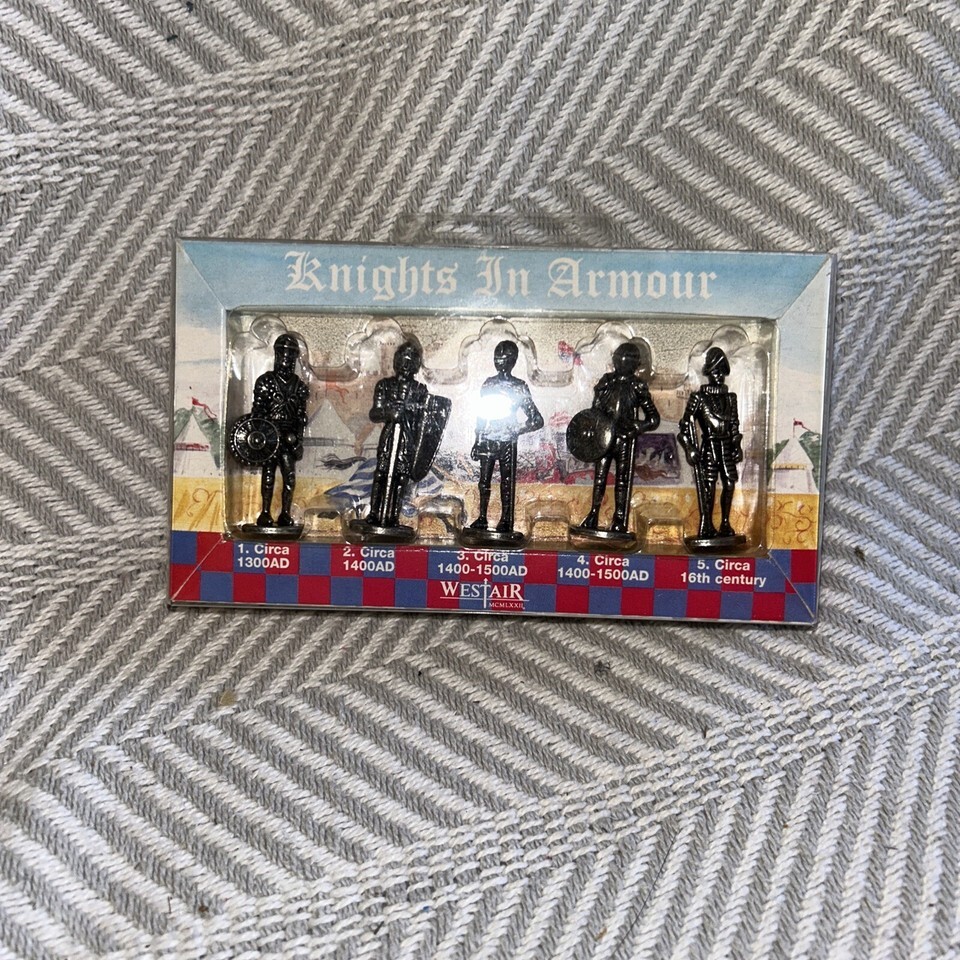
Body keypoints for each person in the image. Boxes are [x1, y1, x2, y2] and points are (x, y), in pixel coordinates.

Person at [577, 342, 659, 535]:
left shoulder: (638, 386)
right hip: (604, 438)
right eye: (620, 359)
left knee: (622, 481)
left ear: (636, 364)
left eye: (628, 360)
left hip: (624, 439)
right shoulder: (606, 382)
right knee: (599, 478)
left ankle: (619, 519)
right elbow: (595, 410)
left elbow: (653, 418)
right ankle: (593, 514)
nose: (622, 363)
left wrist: (638, 426)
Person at [468, 340, 543, 536]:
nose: (499, 362)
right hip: (488, 439)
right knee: (483, 482)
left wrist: (517, 429)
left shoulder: (519, 386)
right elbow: (481, 415)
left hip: (508, 441)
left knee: (507, 482)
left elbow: (536, 420)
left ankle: (506, 520)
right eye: (497, 358)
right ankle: (482, 518)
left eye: (504, 358)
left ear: (513, 361)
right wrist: (477, 440)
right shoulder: (489, 384)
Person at [678, 346, 744, 544]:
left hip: (726, 446)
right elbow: (685, 425)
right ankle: (706, 524)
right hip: (709, 445)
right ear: (708, 373)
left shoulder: (730, 399)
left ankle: (725, 523)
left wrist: (737, 445)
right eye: (715, 371)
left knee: (729, 483)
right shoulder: (699, 398)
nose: (719, 376)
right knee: (709, 486)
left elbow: (734, 426)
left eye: (722, 372)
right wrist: (689, 448)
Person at [366, 342, 430, 529]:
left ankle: (393, 515)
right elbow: (374, 413)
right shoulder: (385, 385)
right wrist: (388, 413)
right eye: (402, 360)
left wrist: (410, 410)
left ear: (416, 365)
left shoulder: (420, 389)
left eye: (410, 361)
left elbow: (424, 418)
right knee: (381, 474)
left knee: (401, 477)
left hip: (407, 438)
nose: (405, 365)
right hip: (389, 437)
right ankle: (374, 513)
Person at [251, 333, 309, 527]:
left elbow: (301, 418)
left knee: (289, 477)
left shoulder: (299, 387)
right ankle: (265, 512)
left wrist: (298, 440)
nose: (287, 358)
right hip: (270, 436)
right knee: (268, 475)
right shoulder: (265, 382)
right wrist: (261, 435)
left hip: (289, 437)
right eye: (284, 353)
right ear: (277, 355)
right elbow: (257, 412)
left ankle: (285, 513)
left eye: (291, 354)